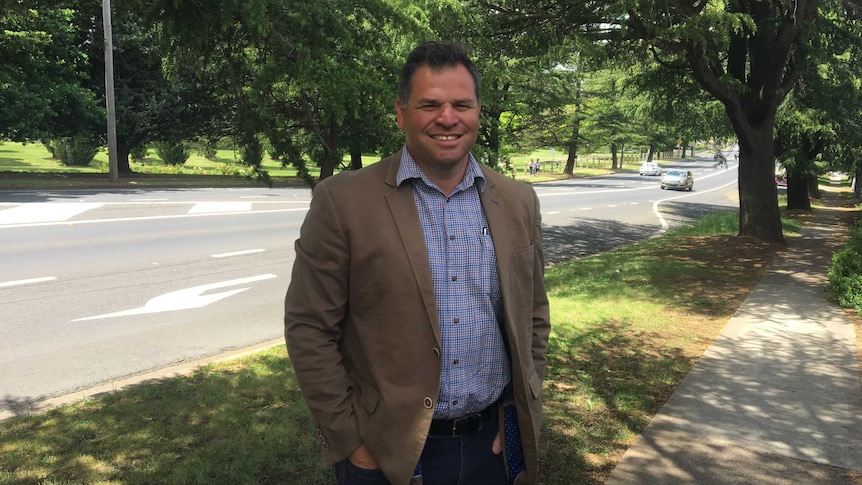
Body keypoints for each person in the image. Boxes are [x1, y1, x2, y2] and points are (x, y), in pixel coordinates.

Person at [284, 41, 551, 485]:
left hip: (495, 447)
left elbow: (533, 317)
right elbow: (310, 328)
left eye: (461, 104)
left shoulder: (518, 201)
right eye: (430, 104)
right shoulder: (342, 201)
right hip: (389, 455)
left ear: (478, 112)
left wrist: (520, 410)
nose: (447, 118)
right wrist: (352, 441)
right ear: (401, 111)